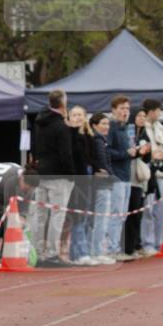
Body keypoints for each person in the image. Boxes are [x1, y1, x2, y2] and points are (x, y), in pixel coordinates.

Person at [29, 89, 75, 267]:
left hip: (42, 173)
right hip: (59, 176)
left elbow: (33, 148)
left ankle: (37, 253)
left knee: (40, 215)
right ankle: (52, 253)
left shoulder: (39, 122)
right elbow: (66, 154)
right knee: (57, 215)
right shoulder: (61, 126)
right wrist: (71, 175)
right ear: (63, 103)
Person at [105, 95, 136, 258]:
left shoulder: (126, 129)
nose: (125, 112)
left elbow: (127, 152)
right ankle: (112, 249)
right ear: (113, 110)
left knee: (122, 215)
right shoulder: (111, 127)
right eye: (122, 108)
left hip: (126, 175)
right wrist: (125, 153)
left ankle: (116, 247)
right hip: (116, 176)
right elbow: (107, 151)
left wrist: (137, 152)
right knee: (116, 214)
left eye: (127, 109)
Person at [140, 98, 163, 255]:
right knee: (148, 209)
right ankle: (147, 243)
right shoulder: (143, 128)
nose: (160, 113)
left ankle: (158, 243)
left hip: (162, 173)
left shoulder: (160, 127)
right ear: (152, 111)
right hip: (148, 172)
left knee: (162, 208)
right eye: (159, 110)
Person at [67, 105, 95, 265]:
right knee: (78, 214)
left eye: (80, 115)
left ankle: (75, 253)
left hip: (87, 177)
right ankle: (81, 253)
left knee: (85, 215)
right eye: (74, 115)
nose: (78, 117)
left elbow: (91, 158)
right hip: (75, 178)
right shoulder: (69, 136)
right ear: (69, 118)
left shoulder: (88, 136)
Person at [123, 108, 152, 260]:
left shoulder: (145, 135)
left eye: (144, 116)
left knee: (137, 213)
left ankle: (135, 244)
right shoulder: (127, 133)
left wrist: (147, 152)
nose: (141, 118)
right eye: (139, 115)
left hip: (140, 179)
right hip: (128, 178)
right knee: (130, 213)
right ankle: (127, 247)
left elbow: (147, 159)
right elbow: (128, 154)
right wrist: (138, 152)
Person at [88, 112, 115, 263]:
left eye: (108, 124)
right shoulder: (98, 140)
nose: (106, 127)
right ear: (94, 125)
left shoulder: (100, 140)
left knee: (98, 218)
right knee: (101, 218)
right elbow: (102, 163)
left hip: (100, 182)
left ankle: (95, 250)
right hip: (101, 184)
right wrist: (111, 175)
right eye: (103, 124)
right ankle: (97, 251)